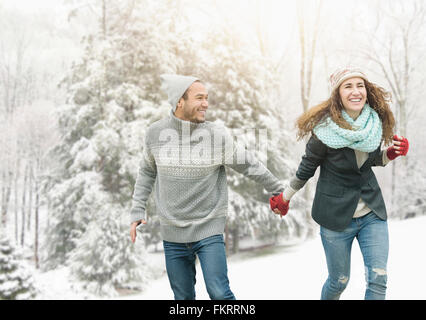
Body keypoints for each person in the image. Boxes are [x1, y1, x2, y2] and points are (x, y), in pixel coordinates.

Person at [130, 74, 284, 300]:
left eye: (207, 98)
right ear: (179, 101)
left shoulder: (215, 135)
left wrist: (278, 190)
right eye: (199, 98)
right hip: (172, 232)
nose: (206, 104)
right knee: (183, 299)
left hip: (208, 228)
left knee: (220, 294)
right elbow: (146, 172)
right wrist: (137, 209)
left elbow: (248, 164)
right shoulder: (155, 133)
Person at [269, 67, 409, 300]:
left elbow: (370, 159)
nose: (356, 91)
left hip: (371, 212)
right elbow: (307, 168)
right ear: (338, 94)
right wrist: (285, 197)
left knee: (378, 278)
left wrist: (390, 154)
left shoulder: (372, 124)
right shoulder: (324, 130)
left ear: (367, 90)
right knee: (338, 282)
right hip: (335, 218)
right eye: (348, 86)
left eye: (360, 85)